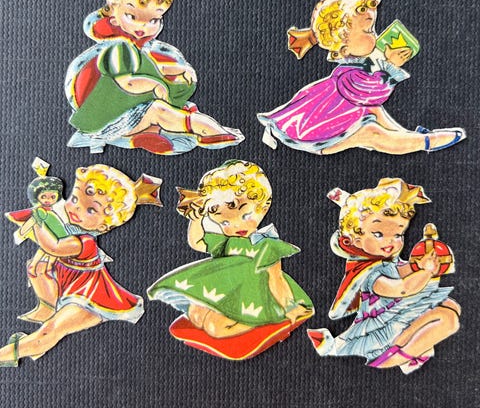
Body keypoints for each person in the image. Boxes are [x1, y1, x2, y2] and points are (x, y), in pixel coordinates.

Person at [66, 0, 243, 154]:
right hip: (109, 119)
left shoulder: (136, 49)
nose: (143, 26)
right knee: (159, 110)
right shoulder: (118, 49)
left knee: (175, 106)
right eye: (132, 16)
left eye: (153, 20)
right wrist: (155, 84)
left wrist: (180, 70)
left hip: (131, 111)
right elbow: (128, 82)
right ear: (113, 14)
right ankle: (204, 130)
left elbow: (151, 68)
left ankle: (157, 132)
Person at [257, 0, 465, 155]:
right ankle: (424, 142)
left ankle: (405, 135)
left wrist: (385, 61)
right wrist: (391, 66)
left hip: (335, 122)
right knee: (371, 133)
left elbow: (372, 102)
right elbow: (373, 93)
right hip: (318, 134)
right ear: (344, 48)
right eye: (368, 31)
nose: (375, 35)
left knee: (374, 112)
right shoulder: (347, 76)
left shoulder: (357, 66)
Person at [0, 164, 162, 367]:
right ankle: (36, 336)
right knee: (37, 270)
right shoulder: (65, 225)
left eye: (91, 209)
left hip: (90, 300)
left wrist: (37, 221)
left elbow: (54, 246)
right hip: (67, 286)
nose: (76, 208)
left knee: (51, 331)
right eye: (75, 199)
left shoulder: (84, 242)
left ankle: (16, 352)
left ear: (104, 225)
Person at [148, 160, 313, 341]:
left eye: (246, 215)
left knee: (214, 328)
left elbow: (276, 279)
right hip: (229, 295)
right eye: (225, 222)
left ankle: (260, 324)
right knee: (195, 314)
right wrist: (197, 218)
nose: (236, 226)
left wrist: (290, 308)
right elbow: (197, 242)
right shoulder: (228, 242)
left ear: (263, 208)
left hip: (259, 300)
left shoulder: (267, 245)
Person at [307, 178, 460, 374]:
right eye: (378, 234)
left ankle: (411, 350)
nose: (390, 242)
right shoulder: (369, 273)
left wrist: (418, 265)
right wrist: (426, 272)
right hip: (385, 326)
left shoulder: (386, 262)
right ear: (356, 239)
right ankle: (395, 358)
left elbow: (401, 272)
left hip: (398, 313)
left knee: (451, 306)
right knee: (447, 319)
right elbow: (402, 288)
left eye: (398, 235)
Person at [5, 175, 69, 324]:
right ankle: (47, 306)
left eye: (52, 196)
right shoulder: (39, 211)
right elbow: (31, 222)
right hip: (50, 241)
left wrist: (20, 235)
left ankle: (51, 305)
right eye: (44, 196)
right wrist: (20, 235)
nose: (48, 199)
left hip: (59, 241)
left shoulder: (56, 211)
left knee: (48, 259)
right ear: (37, 197)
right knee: (41, 258)